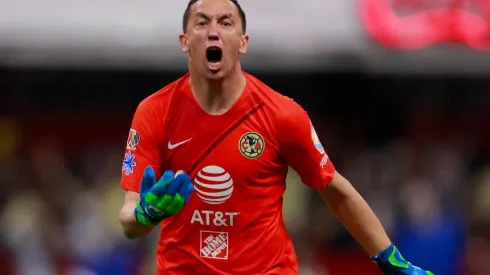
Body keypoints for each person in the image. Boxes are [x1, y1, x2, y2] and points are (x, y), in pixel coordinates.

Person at [117, 0, 435, 274]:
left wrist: (389, 259)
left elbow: (334, 189)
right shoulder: (154, 112)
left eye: (225, 23)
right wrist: (147, 212)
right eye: (202, 23)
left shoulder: (282, 114)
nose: (213, 30)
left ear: (243, 42)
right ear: (185, 41)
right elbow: (129, 222)